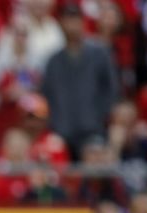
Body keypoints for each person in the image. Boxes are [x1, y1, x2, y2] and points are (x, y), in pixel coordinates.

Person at [40, 2, 119, 158]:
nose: (72, 25)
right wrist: (55, 124)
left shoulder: (99, 54)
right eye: (67, 19)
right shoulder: (53, 60)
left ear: (83, 21)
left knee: (95, 160)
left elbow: (111, 90)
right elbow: (46, 95)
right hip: (61, 131)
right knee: (51, 155)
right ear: (61, 23)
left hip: (92, 130)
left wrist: (99, 117)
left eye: (75, 19)